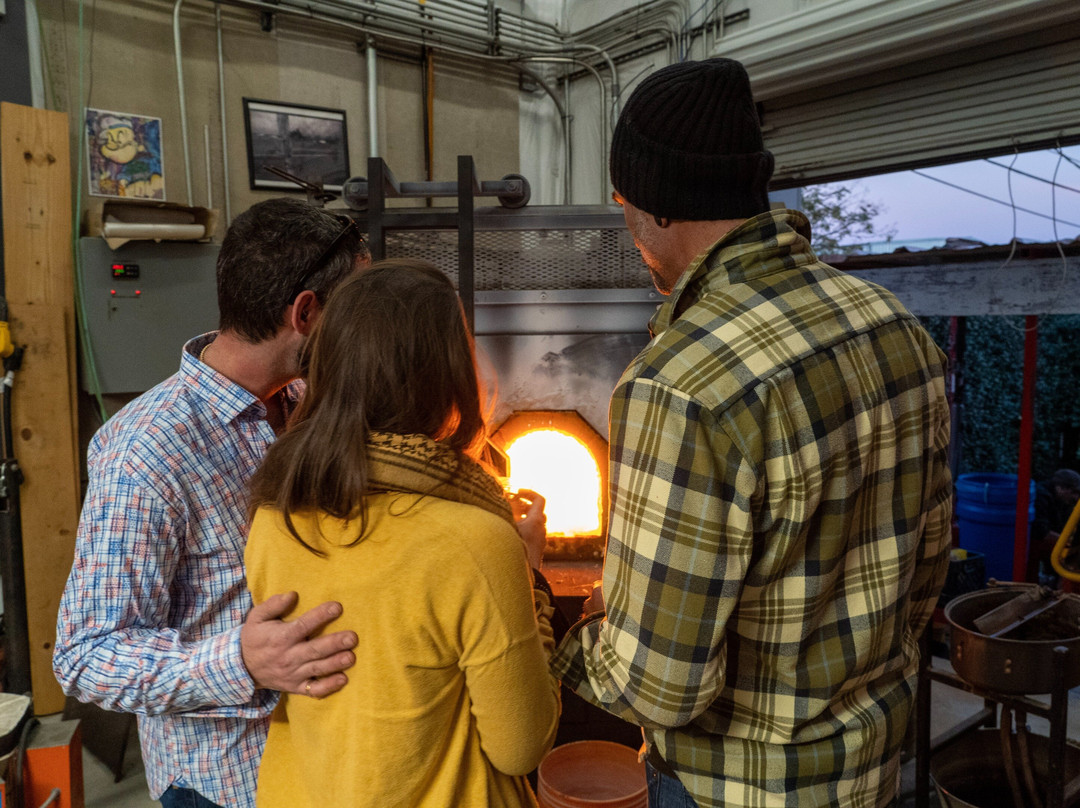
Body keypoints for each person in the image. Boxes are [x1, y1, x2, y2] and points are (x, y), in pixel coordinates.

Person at [550, 58, 953, 808]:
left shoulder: (679, 384)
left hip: (737, 789)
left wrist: (552, 629)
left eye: (624, 204)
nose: (628, 226)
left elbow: (661, 689)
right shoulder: (896, 325)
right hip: (871, 772)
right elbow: (924, 571)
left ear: (657, 206)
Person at [53, 198, 371, 808]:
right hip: (228, 786)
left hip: (331, 757)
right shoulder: (146, 451)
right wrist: (239, 661)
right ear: (305, 312)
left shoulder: (307, 400)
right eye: (353, 312)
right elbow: (86, 654)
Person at [244, 259, 560, 808]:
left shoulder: (274, 516)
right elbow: (521, 747)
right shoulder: (475, 542)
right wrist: (529, 576)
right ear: (447, 377)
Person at [1030, 468, 1080, 583]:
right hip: (1034, 541)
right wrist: (1069, 545)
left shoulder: (1062, 501)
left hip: (1046, 539)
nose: (1076, 497)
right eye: (1073, 492)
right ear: (1060, 488)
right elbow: (1041, 532)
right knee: (1071, 556)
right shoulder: (1041, 496)